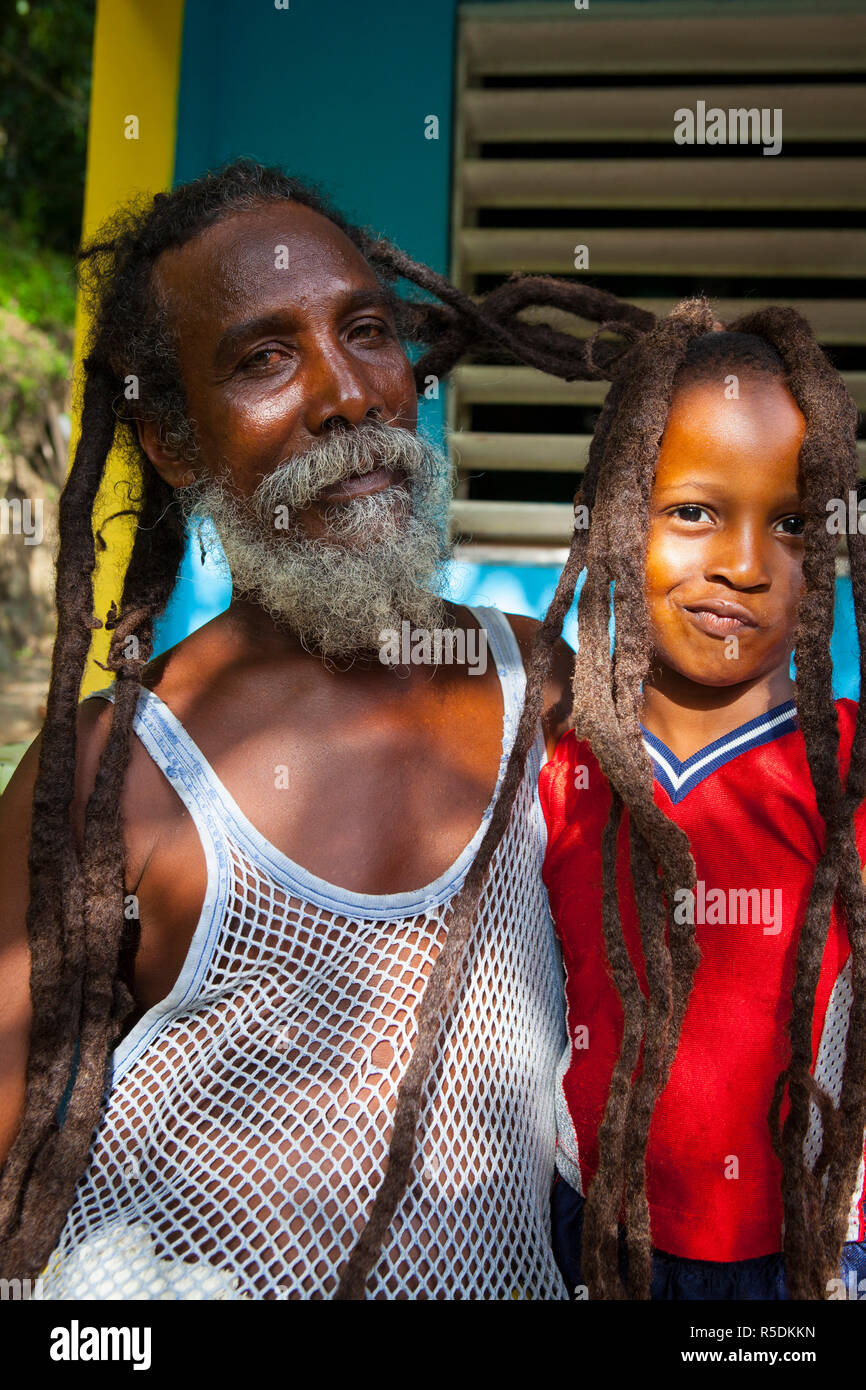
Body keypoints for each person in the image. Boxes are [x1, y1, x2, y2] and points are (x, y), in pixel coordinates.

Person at [0, 159, 651, 1300]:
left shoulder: (540, 691)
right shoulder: (120, 771)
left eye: (365, 330)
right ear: (175, 447)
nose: (346, 393)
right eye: (262, 357)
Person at [528, 302, 866, 1300]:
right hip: (592, 1230)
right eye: (692, 511)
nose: (744, 564)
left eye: (792, 523)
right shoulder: (557, 761)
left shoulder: (846, 765)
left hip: (808, 1249)